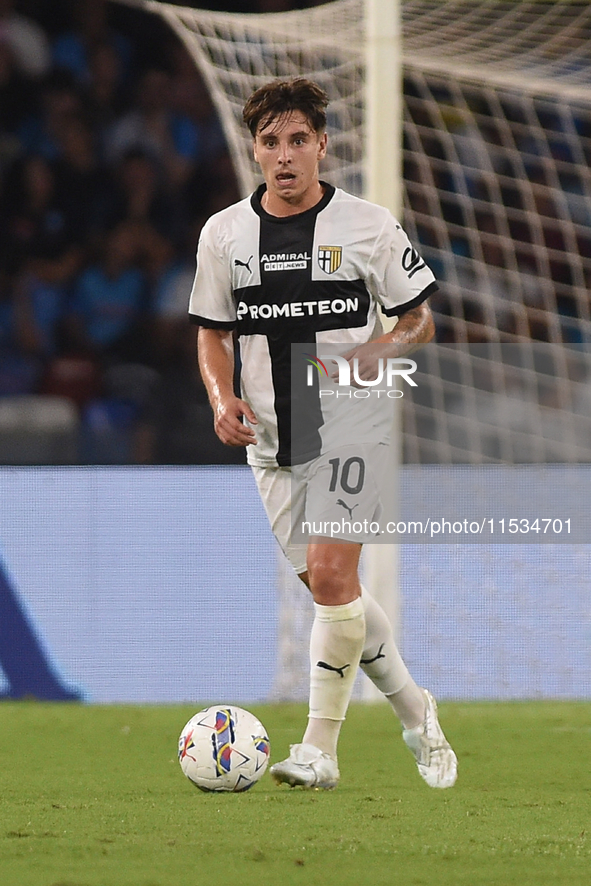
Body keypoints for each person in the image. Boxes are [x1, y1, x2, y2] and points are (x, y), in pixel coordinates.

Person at [190, 78, 457, 790]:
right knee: (334, 599)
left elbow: (418, 317)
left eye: (297, 141)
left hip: (347, 417)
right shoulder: (223, 234)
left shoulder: (368, 224)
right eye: (270, 142)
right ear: (254, 149)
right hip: (272, 439)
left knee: (335, 579)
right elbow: (213, 334)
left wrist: (381, 350)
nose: (284, 156)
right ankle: (414, 710)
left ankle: (318, 750)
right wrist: (220, 397)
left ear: (322, 146)